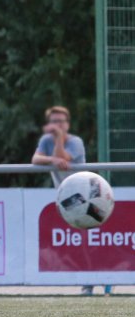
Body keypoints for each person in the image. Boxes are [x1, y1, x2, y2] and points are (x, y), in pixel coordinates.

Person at [31, 106, 112, 297]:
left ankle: (105, 280)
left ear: (67, 124)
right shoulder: (45, 140)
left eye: (61, 121)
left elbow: (63, 158)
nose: (57, 125)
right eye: (54, 121)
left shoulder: (76, 142)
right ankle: (89, 283)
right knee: (78, 243)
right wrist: (50, 158)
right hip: (67, 200)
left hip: (89, 198)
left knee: (92, 240)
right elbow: (36, 159)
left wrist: (58, 139)